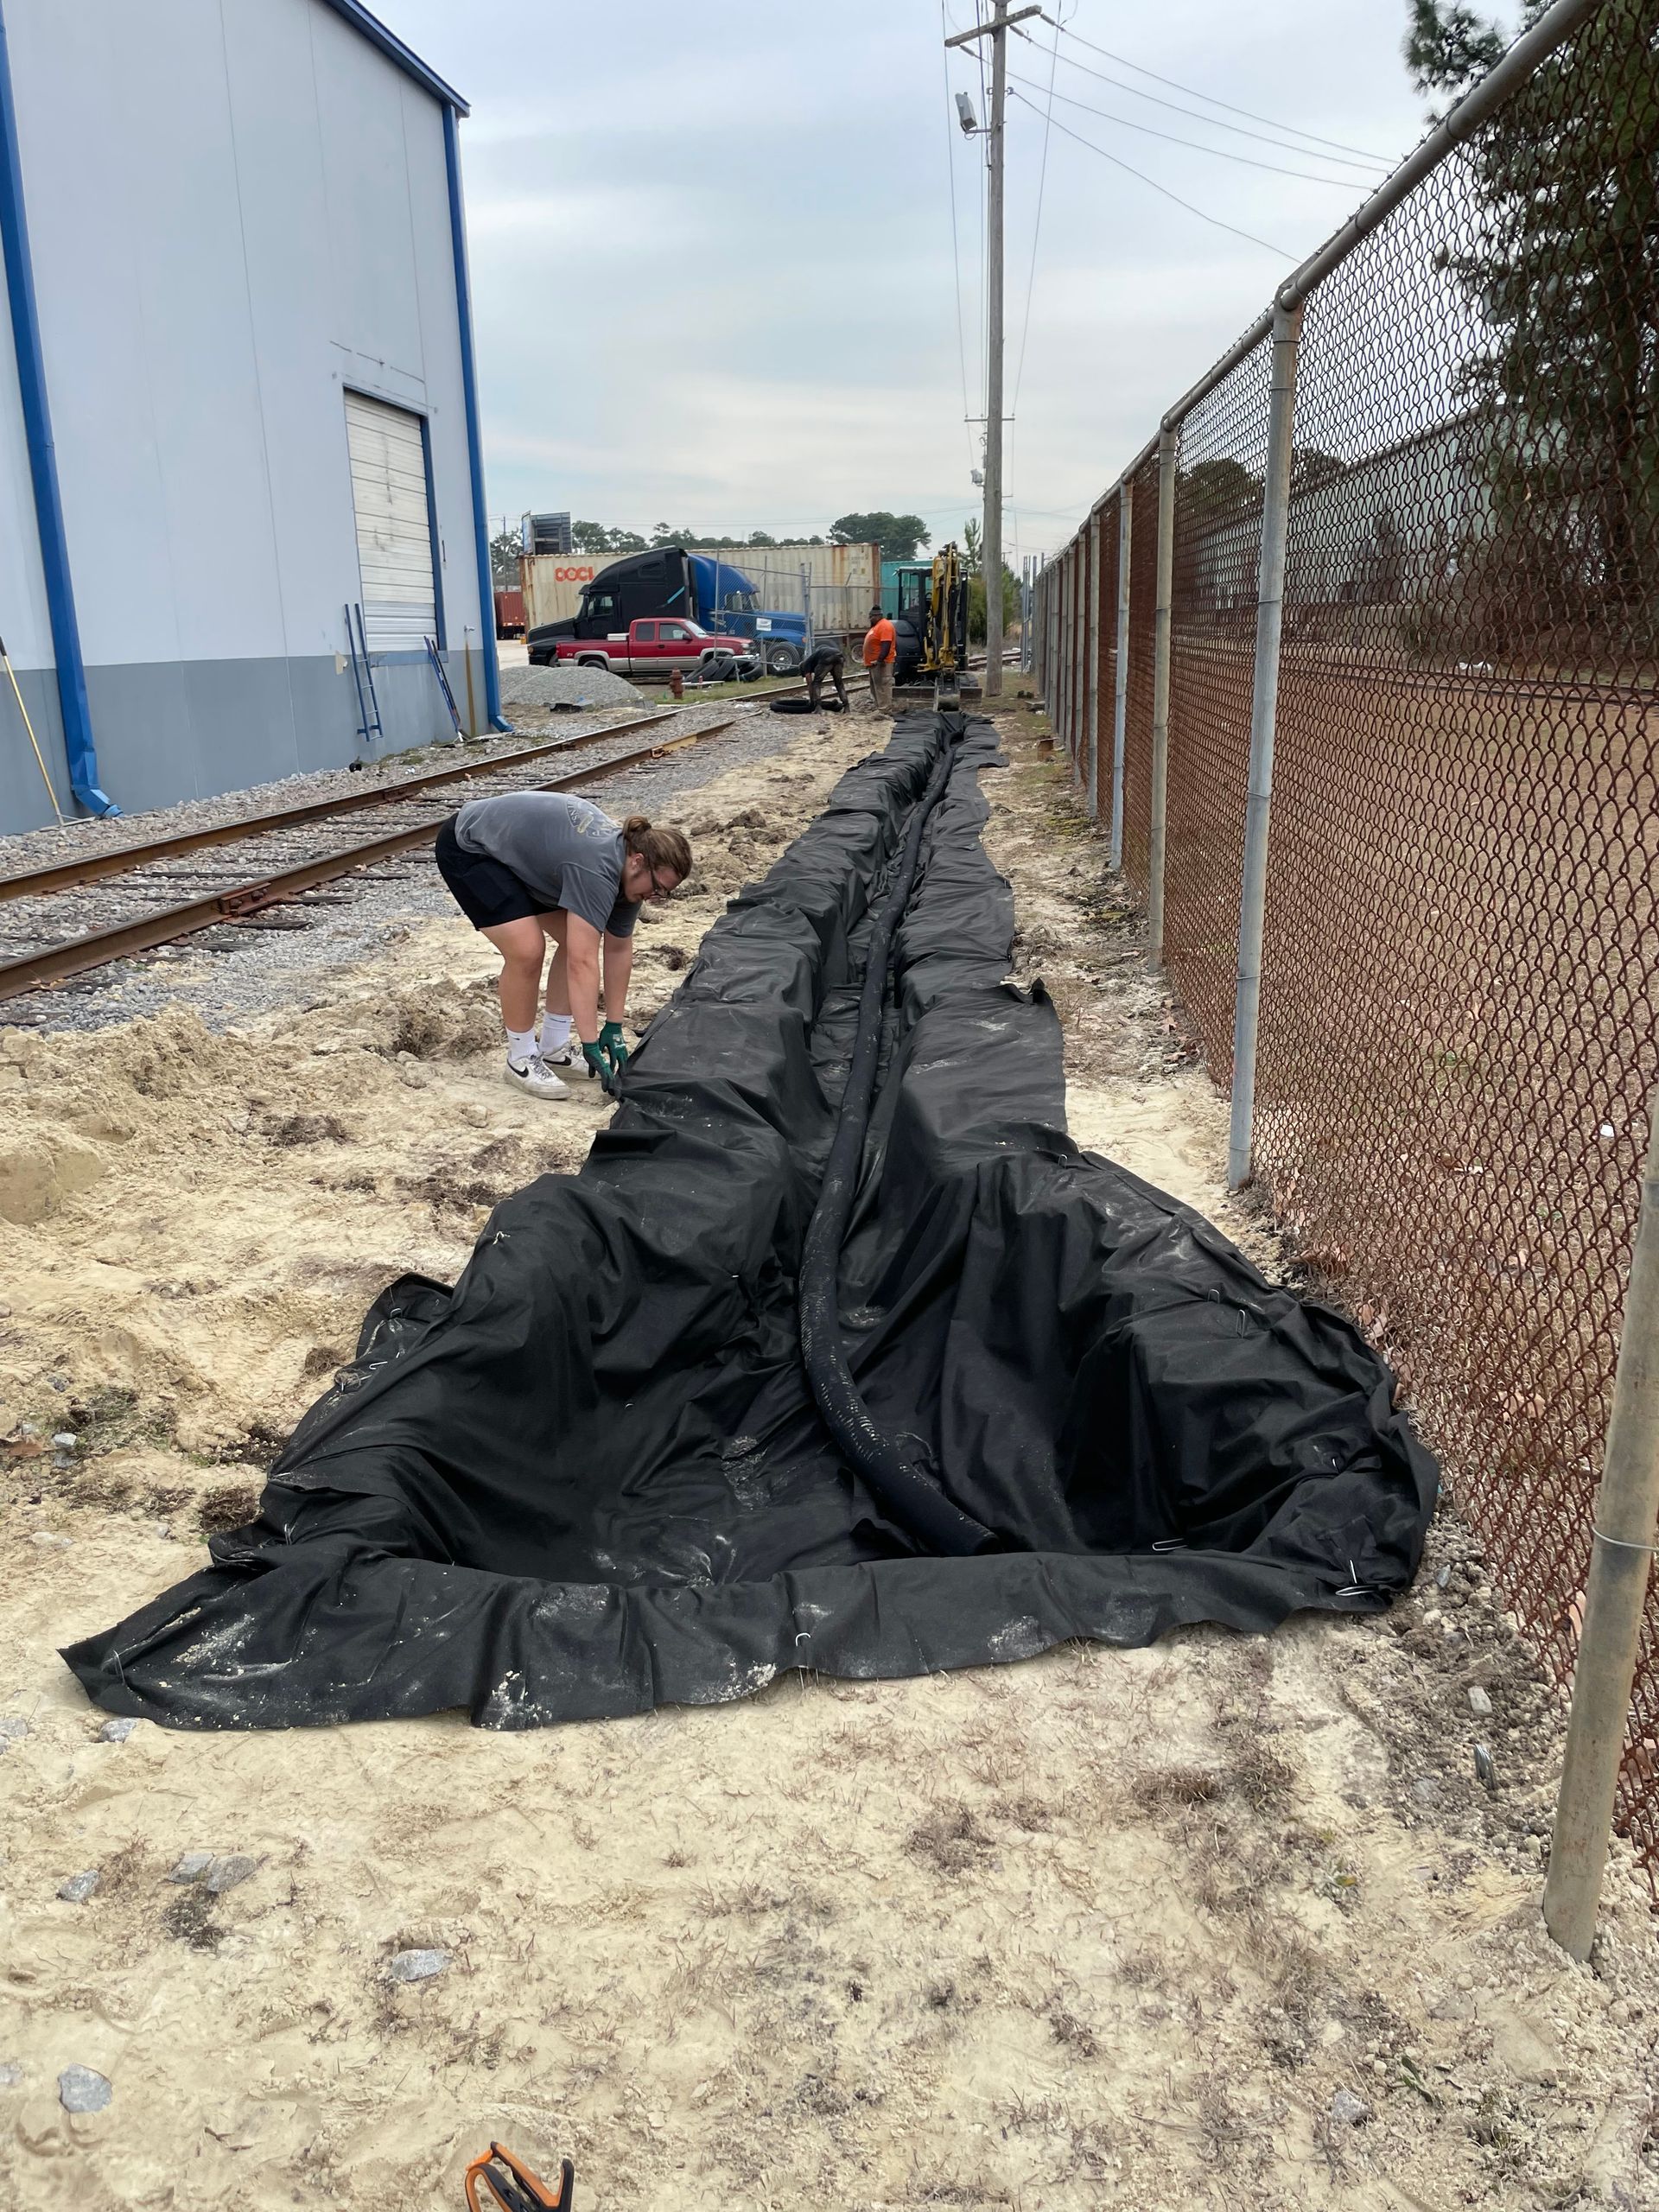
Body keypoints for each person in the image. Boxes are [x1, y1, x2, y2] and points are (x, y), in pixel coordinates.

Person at [435, 794, 692, 1100]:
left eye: (665, 893)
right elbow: (583, 963)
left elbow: (618, 950)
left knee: (574, 940)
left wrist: (614, 1026)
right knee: (527, 950)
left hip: (525, 855)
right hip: (472, 847)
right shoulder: (597, 869)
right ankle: (521, 1058)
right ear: (638, 860)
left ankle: (554, 1048)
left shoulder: (632, 879)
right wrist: (591, 1042)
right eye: (658, 888)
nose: (656, 896)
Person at [862, 603, 897, 714]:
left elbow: (886, 644)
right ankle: (880, 707)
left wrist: (880, 660)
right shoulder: (877, 626)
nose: (870, 619)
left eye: (871, 617)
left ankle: (885, 709)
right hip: (874, 663)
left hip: (882, 663)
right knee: (876, 686)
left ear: (877, 616)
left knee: (883, 685)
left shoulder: (885, 626)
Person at [799, 637, 849, 711]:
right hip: (839, 657)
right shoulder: (812, 660)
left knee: (816, 683)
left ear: (803, 670)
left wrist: (811, 700)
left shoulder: (806, 665)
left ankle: (818, 707)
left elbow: (810, 684)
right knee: (839, 683)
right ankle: (846, 706)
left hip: (827, 658)